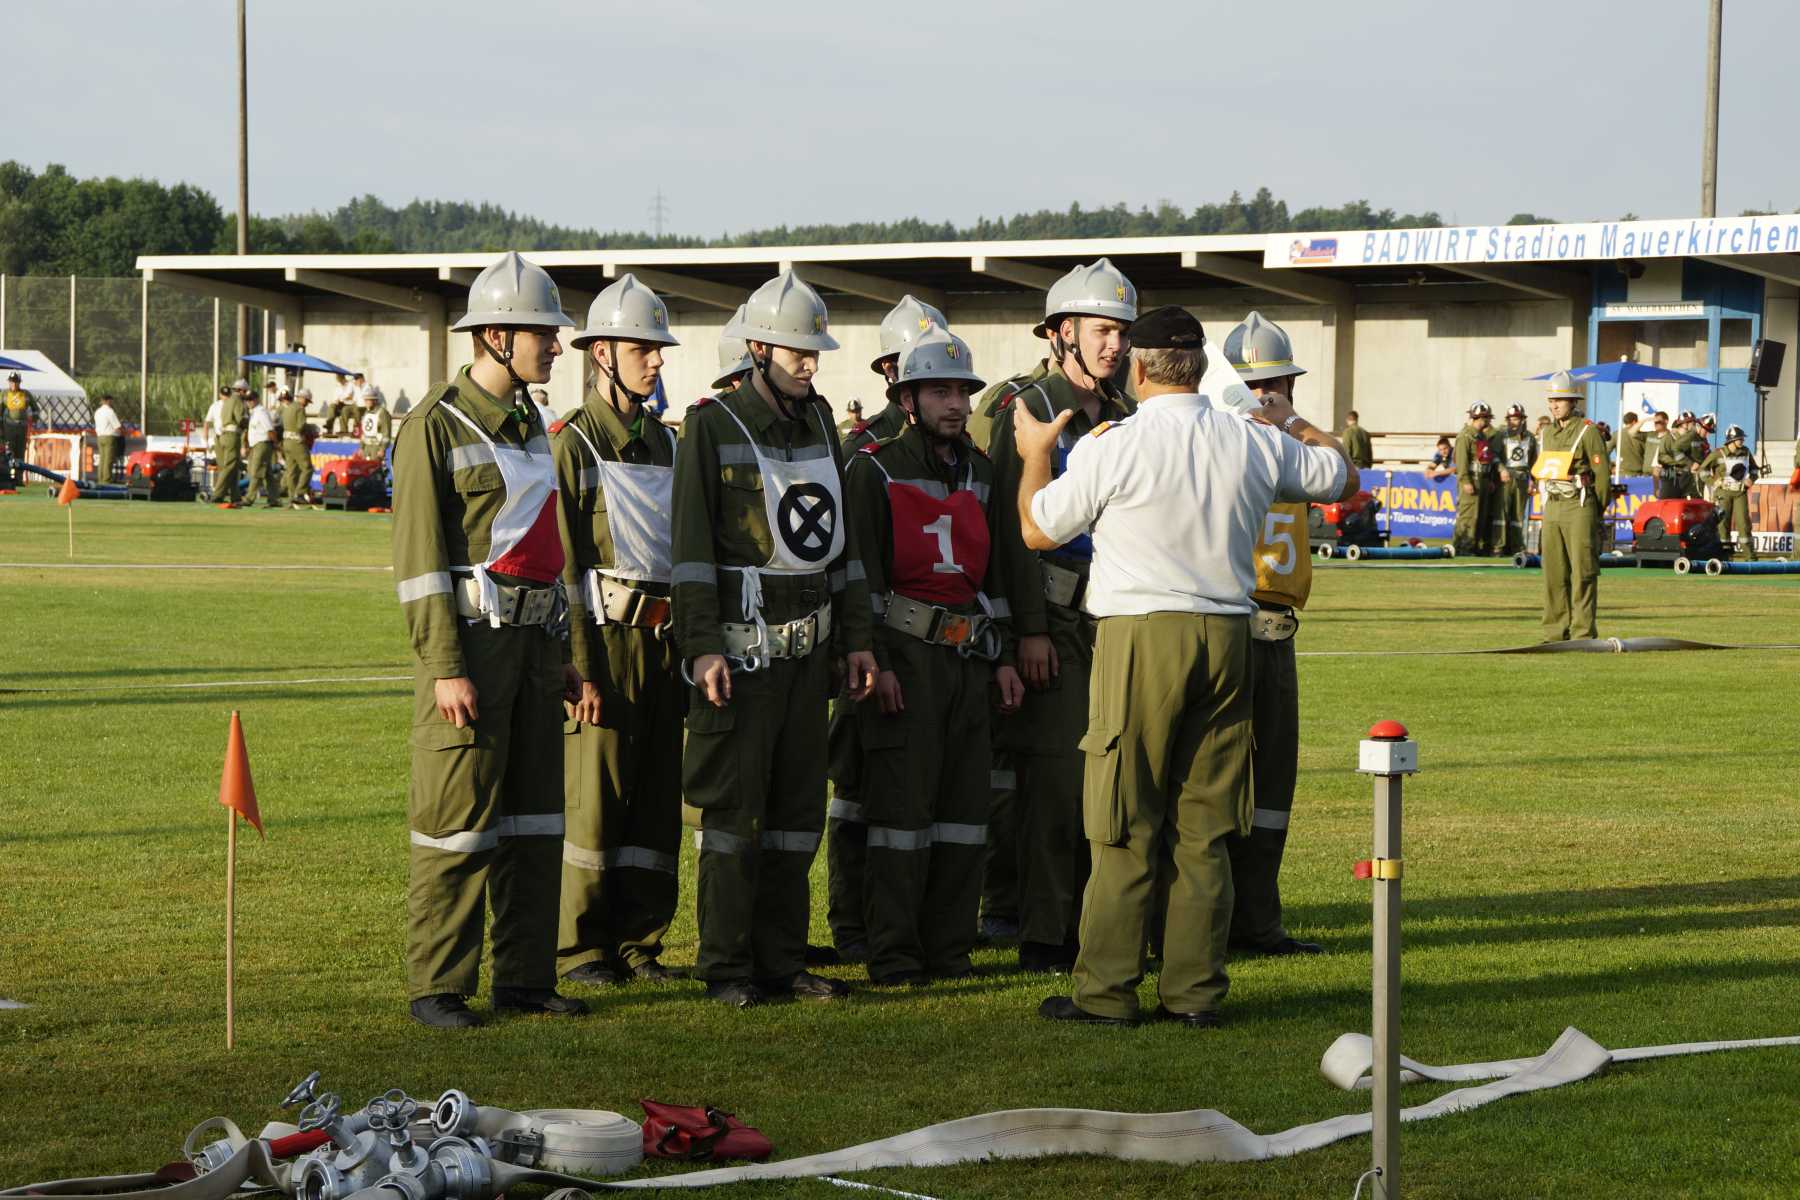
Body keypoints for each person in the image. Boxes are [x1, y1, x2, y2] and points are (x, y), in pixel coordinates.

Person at [1014, 305, 1354, 1027]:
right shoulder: (1250, 441)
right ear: (1202, 370)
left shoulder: (1115, 444)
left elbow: (1038, 528)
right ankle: (1195, 990)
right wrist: (1283, 418)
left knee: (1122, 817)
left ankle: (1106, 990)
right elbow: (1340, 476)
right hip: (1230, 634)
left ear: (1138, 369)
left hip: (1140, 635)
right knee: (1206, 824)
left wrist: (1036, 454)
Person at [670, 269, 878, 1008]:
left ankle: (782, 961)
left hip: (807, 662)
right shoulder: (710, 425)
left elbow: (841, 552)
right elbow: (690, 554)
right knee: (732, 819)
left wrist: (855, 641)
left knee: (796, 819)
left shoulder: (823, 424)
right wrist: (701, 651)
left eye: (813, 351)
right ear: (758, 348)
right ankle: (727, 968)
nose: (809, 362)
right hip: (740, 659)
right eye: (796, 350)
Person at [390, 251, 587, 1028]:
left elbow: (546, 551)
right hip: (472, 650)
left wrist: (562, 655)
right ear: (498, 336)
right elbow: (418, 565)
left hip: (535, 655)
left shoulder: (532, 421)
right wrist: (444, 666)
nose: (556, 347)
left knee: (536, 824)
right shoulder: (433, 426)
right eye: (545, 333)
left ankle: (525, 981)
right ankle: (438, 987)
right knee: (456, 825)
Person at [843, 327, 1027, 985]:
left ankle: (950, 949)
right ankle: (893, 954)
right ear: (907, 398)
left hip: (970, 663)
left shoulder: (983, 472)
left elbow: (998, 573)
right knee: (900, 817)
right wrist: (878, 661)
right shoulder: (873, 469)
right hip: (907, 660)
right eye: (940, 391)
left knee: (962, 815)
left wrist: (1003, 656)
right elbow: (860, 575)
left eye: (962, 391)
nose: (955, 403)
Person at [979, 258, 1136, 974]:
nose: (1116, 346)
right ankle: (1045, 933)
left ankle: (1101, 923)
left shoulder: (1129, 414)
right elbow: (1009, 530)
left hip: (1117, 614)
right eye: (1103, 331)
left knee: (1114, 776)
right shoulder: (1022, 405)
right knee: (1053, 782)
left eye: (1123, 333)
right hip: (1055, 614)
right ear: (1062, 332)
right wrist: (1029, 630)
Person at [551, 274, 685, 989]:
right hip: (605, 645)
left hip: (665, 647)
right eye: (643, 348)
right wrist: (585, 668)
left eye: (658, 350)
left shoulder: (668, 445)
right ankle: (581, 948)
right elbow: (567, 569)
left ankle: (641, 940)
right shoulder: (571, 444)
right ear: (601, 352)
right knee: (595, 805)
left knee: (657, 802)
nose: (657, 361)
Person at [826, 291, 951, 963]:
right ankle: (852, 924)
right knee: (856, 793)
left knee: (922, 797)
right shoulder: (865, 453)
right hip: (875, 646)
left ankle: (915, 922)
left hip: (937, 654)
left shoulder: (950, 451)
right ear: (890, 374)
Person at [1217, 311, 1325, 959]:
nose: (1267, 395)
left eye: (1278, 383)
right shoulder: (1220, 442)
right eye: (1254, 385)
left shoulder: (1293, 443)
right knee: (1218, 780)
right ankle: (1211, 919)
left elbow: (1339, 470)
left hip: (1278, 627)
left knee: (1274, 782)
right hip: (1229, 622)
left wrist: (1291, 422)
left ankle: (1260, 921)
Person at [1535, 372, 1609, 642]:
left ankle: (1582, 632)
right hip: (1553, 505)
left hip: (1580, 505)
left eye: (1561, 400)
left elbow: (1602, 478)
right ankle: (1554, 631)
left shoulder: (1588, 431)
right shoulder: (1547, 433)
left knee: (1583, 571)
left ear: (1573, 402)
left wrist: (1595, 511)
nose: (1554, 405)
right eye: (1552, 399)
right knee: (1553, 572)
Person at [1700, 425, 1760, 560]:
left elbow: (1755, 469)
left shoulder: (1745, 452)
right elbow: (1702, 471)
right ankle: (1724, 556)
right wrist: (1714, 482)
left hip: (1740, 492)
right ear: (1731, 440)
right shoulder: (1718, 453)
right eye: (1739, 439)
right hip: (1723, 493)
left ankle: (1750, 556)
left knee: (1744, 523)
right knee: (1723, 524)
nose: (1742, 441)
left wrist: (1751, 479)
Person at [1452, 402, 1499, 555]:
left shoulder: (1481, 436)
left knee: (1480, 515)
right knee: (1469, 515)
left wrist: (1490, 479)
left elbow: (1487, 459)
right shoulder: (1465, 436)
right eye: (1485, 418)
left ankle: (1474, 545)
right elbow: (1461, 461)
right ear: (1478, 417)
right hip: (1472, 480)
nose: (1487, 421)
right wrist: (1465, 481)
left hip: (1483, 480)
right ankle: (1463, 547)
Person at [1497, 402, 1538, 556]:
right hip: (1505, 479)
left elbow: (1533, 461)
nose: (1513, 422)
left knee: (1518, 515)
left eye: (1517, 419)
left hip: (1522, 478)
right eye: (1511, 419)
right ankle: (1499, 546)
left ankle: (1517, 546)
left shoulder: (1530, 438)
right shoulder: (1501, 436)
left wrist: (1533, 480)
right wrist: (1501, 470)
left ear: (1523, 420)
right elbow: (1494, 456)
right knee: (1502, 514)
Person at [209, 379, 250, 506]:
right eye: (245, 391)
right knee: (230, 466)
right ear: (242, 390)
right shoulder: (238, 400)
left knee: (234, 467)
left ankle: (235, 495)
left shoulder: (227, 401)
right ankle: (217, 494)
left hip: (223, 435)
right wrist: (250, 423)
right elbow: (239, 419)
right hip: (232, 435)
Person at [244, 388, 282, 507]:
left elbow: (270, 430)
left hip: (263, 444)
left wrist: (276, 445)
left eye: (251, 399)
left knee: (257, 472)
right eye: (247, 400)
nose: (249, 402)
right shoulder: (254, 412)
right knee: (267, 474)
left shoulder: (261, 412)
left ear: (257, 399)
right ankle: (274, 499)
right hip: (257, 445)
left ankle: (249, 498)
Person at [3, 371, 39, 489]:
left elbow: (36, 409)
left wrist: (33, 417)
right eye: (12, 382)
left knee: (20, 453)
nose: (13, 384)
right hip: (8, 428)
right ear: (9, 382)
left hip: (22, 428)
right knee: (9, 453)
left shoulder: (26, 394)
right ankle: (8, 479)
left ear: (19, 383)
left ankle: (18, 479)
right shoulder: (4, 394)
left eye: (16, 382)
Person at [280, 387, 314, 506]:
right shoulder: (300, 409)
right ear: (302, 398)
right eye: (307, 401)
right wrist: (312, 429)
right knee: (307, 468)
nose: (307, 404)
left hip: (286, 441)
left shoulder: (288, 408)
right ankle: (299, 493)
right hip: (296, 442)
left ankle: (291, 496)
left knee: (291, 470)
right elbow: (301, 426)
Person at [1658, 411, 1700, 500]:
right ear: (1684, 424)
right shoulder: (1669, 438)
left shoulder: (1691, 439)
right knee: (1667, 505)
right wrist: (1680, 462)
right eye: (1692, 422)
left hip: (1687, 477)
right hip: (1671, 477)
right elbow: (1661, 457)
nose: (1694, 425)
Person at [93, 394, 124, 483]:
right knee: (108, 459)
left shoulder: (98, 412)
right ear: (108, 401)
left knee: (102, 459)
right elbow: (117, 426)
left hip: (100, 437)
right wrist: (122, 432)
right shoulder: (110, 412)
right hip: (109, 437)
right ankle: (107, 479)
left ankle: (100, 478)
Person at [359, 387, 393, 460]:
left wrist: (382, 449)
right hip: (366, 448)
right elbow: (365, 432)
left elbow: (386, 432)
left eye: (368, 399)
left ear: (375, 400)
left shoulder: (382, 413)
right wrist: (361, 447)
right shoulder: (366, 413)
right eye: (365, 400)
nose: (366, 402)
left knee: (375, 470)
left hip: (376, 448)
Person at [1618, 411, 1646, 476]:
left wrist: (1610, 467)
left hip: (1621, 473)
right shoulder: (1640, 435)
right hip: (1638, 473)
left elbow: (1606, 450)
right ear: (1634, 422)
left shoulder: (1617, 434)